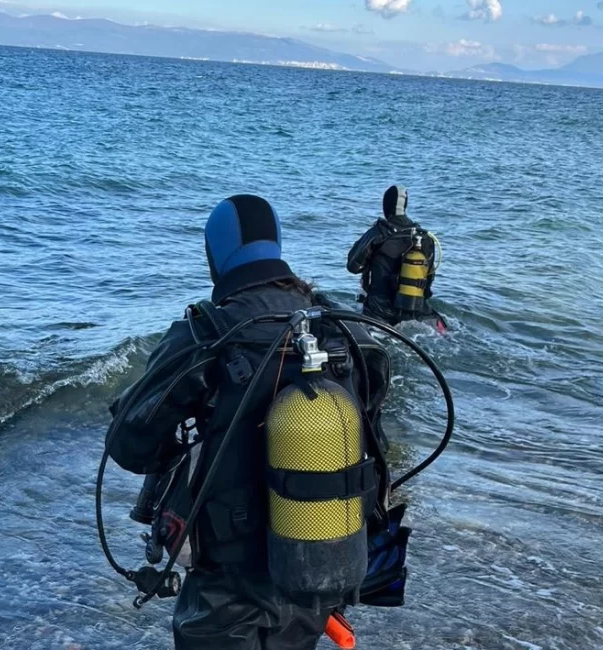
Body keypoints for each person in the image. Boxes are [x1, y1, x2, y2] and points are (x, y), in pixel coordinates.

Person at [107, 194, 396, 650]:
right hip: (320, 555)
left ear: (215, 256)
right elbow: (374, 441)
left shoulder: (206, 333)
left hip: (229, 575)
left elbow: (129, 446)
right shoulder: (342, 330)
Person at [346, 185, 443, 328]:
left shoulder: (379, 232)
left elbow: (352, 266)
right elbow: (429, 279)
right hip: (415, 309)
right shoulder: (424, 237)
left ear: (386, 205)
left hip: (379, 312)